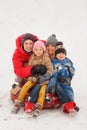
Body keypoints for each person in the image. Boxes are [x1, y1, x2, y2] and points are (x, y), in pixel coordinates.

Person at [11, 40, 53, 114]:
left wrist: (46, 76)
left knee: (42, 91)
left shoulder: (46, 58)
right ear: (34, 50)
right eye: (36, 49)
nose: (38, 51)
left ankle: (39, 106)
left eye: (40, 49)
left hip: (43, 79)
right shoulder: (32, 57)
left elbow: (50, 69)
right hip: (33, 77)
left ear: (43, 49)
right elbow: (29, 67)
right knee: (26, 86)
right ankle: (19, 101)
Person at [46, 47, 79, 114]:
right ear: (56, 55)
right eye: (59, 53)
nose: (61, 55)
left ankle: (71, 104)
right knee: (54, 82)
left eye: (62, 53)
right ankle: (49, 93)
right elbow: (52, 71)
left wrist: (69, 77)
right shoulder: (54, 62)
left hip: (65, 81)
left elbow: (72, 70)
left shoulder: (68, 62)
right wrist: (55, 76)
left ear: (65, 54)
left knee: (69, 90)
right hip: (57, 80)